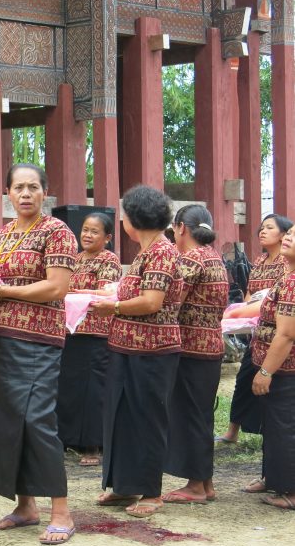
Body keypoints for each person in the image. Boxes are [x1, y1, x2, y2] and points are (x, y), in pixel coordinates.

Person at [0, 163, 78, 545]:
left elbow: (56, 288)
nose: (26, 193)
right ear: (8, 193)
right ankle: (25, 506)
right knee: (6, 422)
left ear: (45, 192)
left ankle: (61, 511)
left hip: (37, 339)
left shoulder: (57, 232)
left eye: (33, 187)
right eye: (19, 187)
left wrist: (0, 293)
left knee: (37, 419)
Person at [91, 185, 182, 518]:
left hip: (153, 351)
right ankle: (125, 485)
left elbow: (151, 302)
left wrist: (113, 306)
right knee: (122, 417)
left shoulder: (161, 251)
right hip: (126, 347)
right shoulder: (146, 252)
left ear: (131, 220)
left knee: (147, 419)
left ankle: (153, 493)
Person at [162, 205, 228, 504]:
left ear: (181, 228)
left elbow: (169, 300)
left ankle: (196, 486)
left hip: (191, 349)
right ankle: (205, 482)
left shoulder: (190, 259)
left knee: (190, 417)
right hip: (210, 347)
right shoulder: (214, 256)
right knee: (200, 416)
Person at [217, 213, 294, 463]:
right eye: (261, 227)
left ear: (284, 235)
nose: (262, 231)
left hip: (276, 332)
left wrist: (237, 312)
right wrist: (242, 313)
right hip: (256, 330)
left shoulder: (287, 265)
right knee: (244, 380)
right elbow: (252, 295)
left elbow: (271, 305)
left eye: (269, 228)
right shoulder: (260, 259)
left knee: (273, 394)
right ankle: (233, 431)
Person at [57, 212, 121, 467]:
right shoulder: (74, 259)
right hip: (71, 331)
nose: (87, 235)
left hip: (97, 332)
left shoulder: (109, 260)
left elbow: (104, 292)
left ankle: (93, 445)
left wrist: (70, 292)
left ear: (107, 237)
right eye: (84, 229)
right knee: (69, 386)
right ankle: (69, 437)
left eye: (94, 231)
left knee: (94, 389)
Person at [250, 227, 295, 511]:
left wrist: (265, 371)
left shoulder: (292, 283)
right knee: (275, 427)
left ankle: (290, 490)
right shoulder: (286, 275)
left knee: (284, 428)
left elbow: (287, 335)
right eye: (289, 232)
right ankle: (274, 479)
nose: (289, 237)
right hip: (279, 366)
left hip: (285, 369)